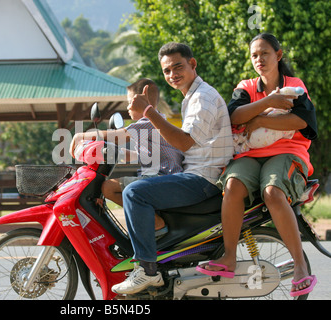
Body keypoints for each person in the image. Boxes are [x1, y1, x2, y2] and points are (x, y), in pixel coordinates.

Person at [196, 33, 318, 297]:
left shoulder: (295, 85)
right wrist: (268, 103)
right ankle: (229, 257)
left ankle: (300, 267)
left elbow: (301, 122)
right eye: (254, 55)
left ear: (278, 55)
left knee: (272, 192)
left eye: (264, 53)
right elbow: (234, 116)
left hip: (288, 152)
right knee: (232, 185)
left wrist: (259, 120)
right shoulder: (246, 86)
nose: (259, 59)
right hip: (249, 156)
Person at [111, 42, 234, 295]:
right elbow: (179, 145)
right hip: (196, 173)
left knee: (134, 193)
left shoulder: (203, 98)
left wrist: (148, 111)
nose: (172, 74)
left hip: (204, 179)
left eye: (178, 67)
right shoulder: (191, 96)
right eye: (167, 71)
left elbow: (184, 142)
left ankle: (147, 269)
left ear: (193, 64)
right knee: (139, 186)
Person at [70, 78, 184, 234]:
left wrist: (82, 136)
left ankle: (156, 222)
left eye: (130, 102)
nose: (128, 107)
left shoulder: (148, 121)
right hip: (163, 175)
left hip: (161, 177)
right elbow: (144, 155)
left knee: (108, 187)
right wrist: (119, 153)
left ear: (144, 101)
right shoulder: (158, 120)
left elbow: (120, 135)